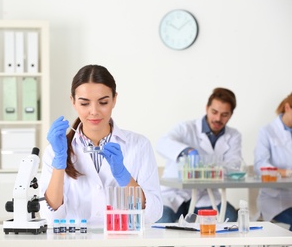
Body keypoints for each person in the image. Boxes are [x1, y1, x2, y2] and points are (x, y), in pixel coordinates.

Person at [39, 64, 163, 227]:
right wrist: (60, 160)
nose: (94, 111)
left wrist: (123, 176)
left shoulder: (139, 145)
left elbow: (154, 214)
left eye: (103, 102)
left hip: (125, 242)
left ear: (114, 100)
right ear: (73, 102)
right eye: (84, 103)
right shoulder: (55, 151)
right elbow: (50, 216)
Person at [155, 87, 242, 223]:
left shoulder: (233, 136)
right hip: (174, 193)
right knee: (162, 219)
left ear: (231, 115)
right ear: (207, 108)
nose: (218, 118)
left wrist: (208, 169)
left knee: (230, 217)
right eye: (214, 112)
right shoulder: (186, 128)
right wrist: (186, 151)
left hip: (205, 194)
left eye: (224, 114)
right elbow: (162, 143)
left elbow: (234, 165)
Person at [254, 92, 292, 231]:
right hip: (275, 200)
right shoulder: (267, 132)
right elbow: (260, 166)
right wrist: (287, 172)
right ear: (287, 107)